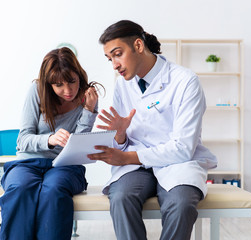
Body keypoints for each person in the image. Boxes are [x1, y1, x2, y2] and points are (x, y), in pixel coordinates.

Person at [87, 20, 218, 240]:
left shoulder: (185, 81)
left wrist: (126, 156)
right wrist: (119, 135)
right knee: (120, 198)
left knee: (181, 204)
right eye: (110, 59)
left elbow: (183, 148)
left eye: (118, 54)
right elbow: (124, 141)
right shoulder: (122, 84)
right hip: (136, 166)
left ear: (138, 46)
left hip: (177, 163)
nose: (115, 65)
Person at [0, 47, 103, 240]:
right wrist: (49, 139)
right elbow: (23, 140)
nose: (68, 90)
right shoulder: (37, 91)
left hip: (65, 166)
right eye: (59, 85)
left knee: (54, 190)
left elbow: (79, 145)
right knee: (20, 189)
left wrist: (89, 111)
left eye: (72, 81)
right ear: (49, 84)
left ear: (79, 75)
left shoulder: (87, 98)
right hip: (28, 163)